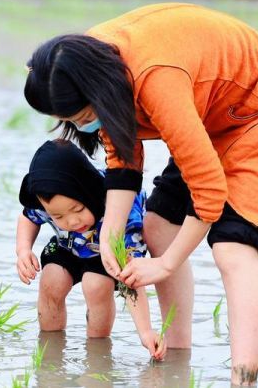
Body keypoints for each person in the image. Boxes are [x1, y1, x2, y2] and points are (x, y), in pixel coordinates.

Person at [22, 3, 258, 385]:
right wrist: (110, 230)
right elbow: (123, 153)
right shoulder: (84, 60)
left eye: (80, 119)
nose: (77, 127)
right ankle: (176, 361)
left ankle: (243, 379)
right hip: (214, 118)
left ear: (97, 92)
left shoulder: (154, 77)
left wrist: (163, 266)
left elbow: (208, 191)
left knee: (232, 248)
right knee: (158, 225)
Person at [16, 139, 165, 360]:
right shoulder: (49, 198)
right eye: (58, 217)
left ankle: (97, 352)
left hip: (109, 249)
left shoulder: (117, 203)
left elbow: (130, 272)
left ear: (87, 191)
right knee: (51, 281)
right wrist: (23, 249)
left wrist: (145, 331)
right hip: (69, 245)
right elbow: (28, 217)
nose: (72, 221)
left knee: (95, 285)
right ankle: (50, 351)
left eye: (77, 209)